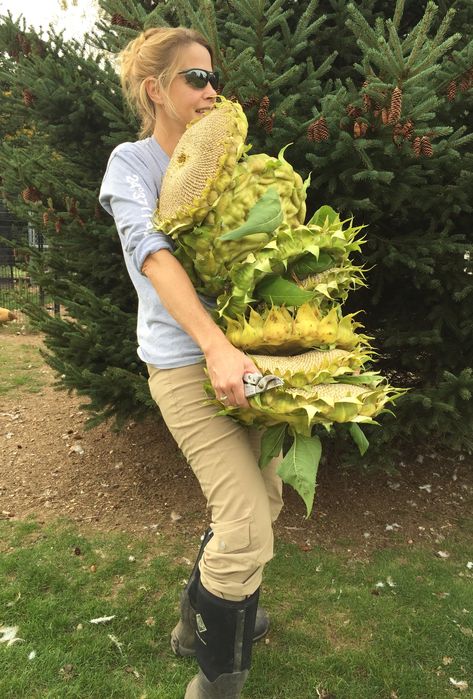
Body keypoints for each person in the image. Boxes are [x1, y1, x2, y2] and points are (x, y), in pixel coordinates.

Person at [99, 27, 284, 699]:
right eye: (194, 78)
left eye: (213, 78)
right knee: (242, 522)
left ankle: (198, 615)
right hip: (186, 363)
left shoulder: (227, 162)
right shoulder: (132, 165)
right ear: (157, 90)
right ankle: (215, 681)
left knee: (263, 498)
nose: (211, 90)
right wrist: (213, 345)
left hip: (245, 357)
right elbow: (151, 252)